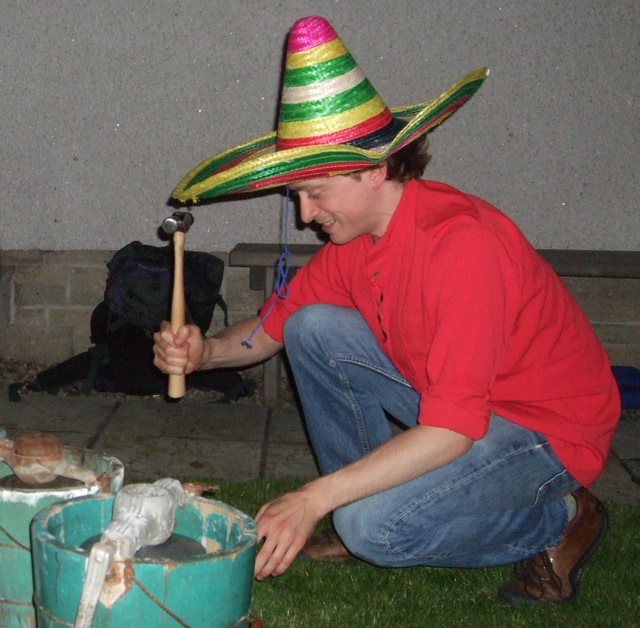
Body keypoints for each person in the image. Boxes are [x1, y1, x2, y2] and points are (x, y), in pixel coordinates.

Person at [154, 16, 620, 605]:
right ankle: (361, 507)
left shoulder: (462, 245)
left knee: (375, 528)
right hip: (465, 406)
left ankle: (560, 520)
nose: (304, 215)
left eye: (316, 193)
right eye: (297, 196)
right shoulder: (356, 242)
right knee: (312, 326)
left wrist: (315, 498)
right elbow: (270, 331)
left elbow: (451, 430)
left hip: (548, 429)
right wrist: (205, 353)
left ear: (374, 169)